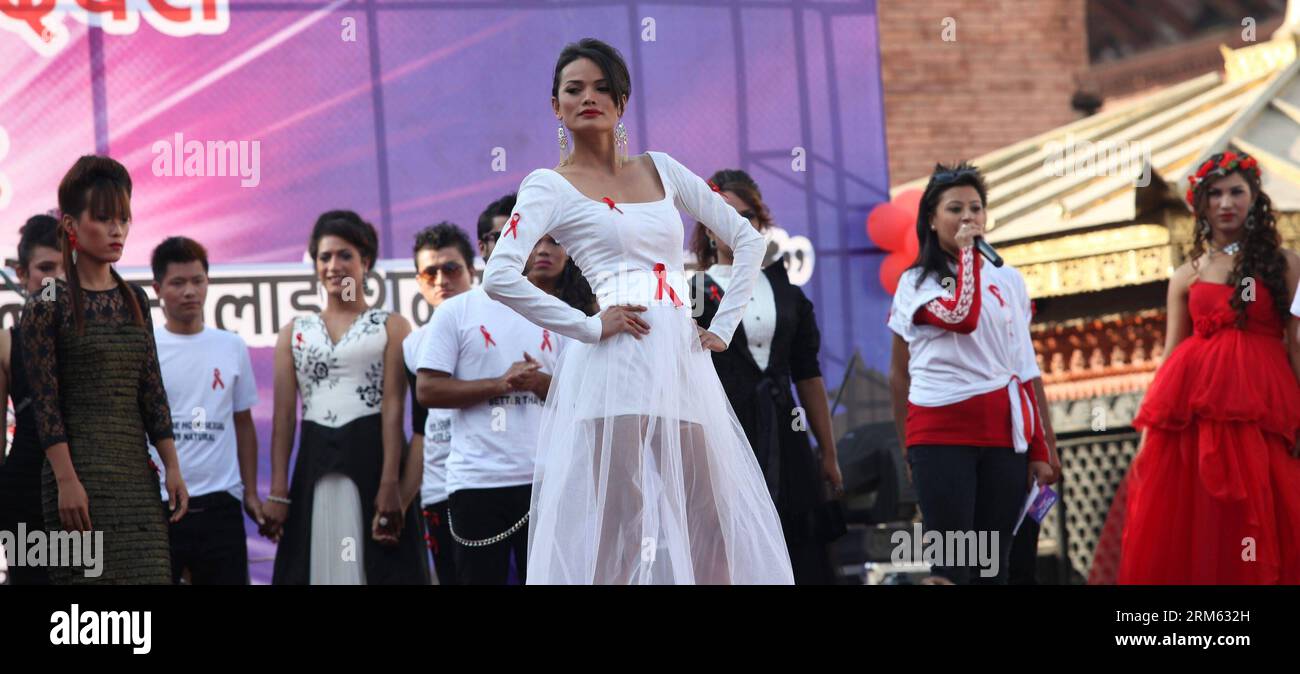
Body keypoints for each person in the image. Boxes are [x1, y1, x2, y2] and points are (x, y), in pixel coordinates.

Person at [481, 38, 793, 584]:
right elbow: (499, 275)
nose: (589, 98)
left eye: (603, 88)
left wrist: (722, 328)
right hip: (616, 359)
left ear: (622, 102)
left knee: (711, 518)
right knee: (620, 522)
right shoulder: (548, 185)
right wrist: (585, 325)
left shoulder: (663, 169)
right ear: (556, 106)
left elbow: (746, 240)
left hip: (680, 360)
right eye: (573, 89)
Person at [1103, 151, 1300, 584]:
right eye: (1215, 193)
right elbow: (1173, 352)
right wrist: (1151, 429)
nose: (1226, 202)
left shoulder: (1286, 264)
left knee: (1266, 515)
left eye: (1236, 192)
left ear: (1254, 199)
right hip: (1196, 416)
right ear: (1202, 204)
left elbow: (1296, 343)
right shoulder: (1185, 276)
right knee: (1204, 521)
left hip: (1265, 409)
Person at [19, 155, 189, 584]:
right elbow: (46, 405)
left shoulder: (136, 300)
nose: (117, 230)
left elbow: (151, 390)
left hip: (137, 482)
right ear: (72, 227)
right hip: (77, 483)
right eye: (103, 218)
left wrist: (172, 466)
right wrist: (66, 481)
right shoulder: (45, 305)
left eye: (124, 218)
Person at [887, 162, 1057, 585]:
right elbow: (958, 318)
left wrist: (1042, 448)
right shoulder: (917, 281)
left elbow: (1023, 367)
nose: (968, 218)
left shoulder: (1009, 279)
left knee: (993, 568)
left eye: (976, 209)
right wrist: (908, 446)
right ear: (931, 218)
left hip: (1005, 437)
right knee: (954, 565)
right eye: (955, 209)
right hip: (941, 436)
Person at [689, 168, 844, 585]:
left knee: (800, 541)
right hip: (722, 432)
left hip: (785, 429)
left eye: (748, 217)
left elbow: (808, 375)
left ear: (761, 225)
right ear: (707, 230)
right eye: (725, 217)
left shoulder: (787, 292)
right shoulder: (692, 292)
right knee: (729, 540)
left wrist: (826, 451)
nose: (738, 227)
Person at [263, 210, 429, 584]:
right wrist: (278, 491)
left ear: (365, 262)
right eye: (325, 257)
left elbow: (392, 408)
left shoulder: (392, 326)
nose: (334, 266)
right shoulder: (294, 332)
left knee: (380, 568)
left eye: (345, 255)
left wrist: (390, 484)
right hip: (314, 462)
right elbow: (285, 418)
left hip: (373, 459)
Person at [414, 204, 566, 586]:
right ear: (484, 247)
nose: (519, 244)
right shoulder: (456, 312)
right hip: (477, 483)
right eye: (505, 235)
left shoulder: (558, 312)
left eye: (525, 235)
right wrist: (501, 384)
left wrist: (539, 383)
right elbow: (428, 389)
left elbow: (577, 400)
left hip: (546, 480)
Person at [146, 237, 261, 584]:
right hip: (160, 505)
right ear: (157, 289)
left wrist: (250, 493)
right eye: (178, 283)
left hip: (220, 506)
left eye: (197, 281)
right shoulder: (145, 346)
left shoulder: (232, 346)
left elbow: (243, 423)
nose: (189, 292)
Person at [402, 222, 476, 585]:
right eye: (430, 272)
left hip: (491, 484)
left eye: (451, 268)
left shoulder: (500, 326)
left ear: (472, 272)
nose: (441, 280)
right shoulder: (413, 346)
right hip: (438, 492)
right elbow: (420, 428)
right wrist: (402, 501)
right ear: (419, 282)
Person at [0, 214, 64, 585]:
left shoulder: (102, 336)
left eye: (66, 266)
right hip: (26, 492)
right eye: (45, 268)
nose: (57, 277)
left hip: (93, 490)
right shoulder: (7, 342)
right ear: (23, 275)